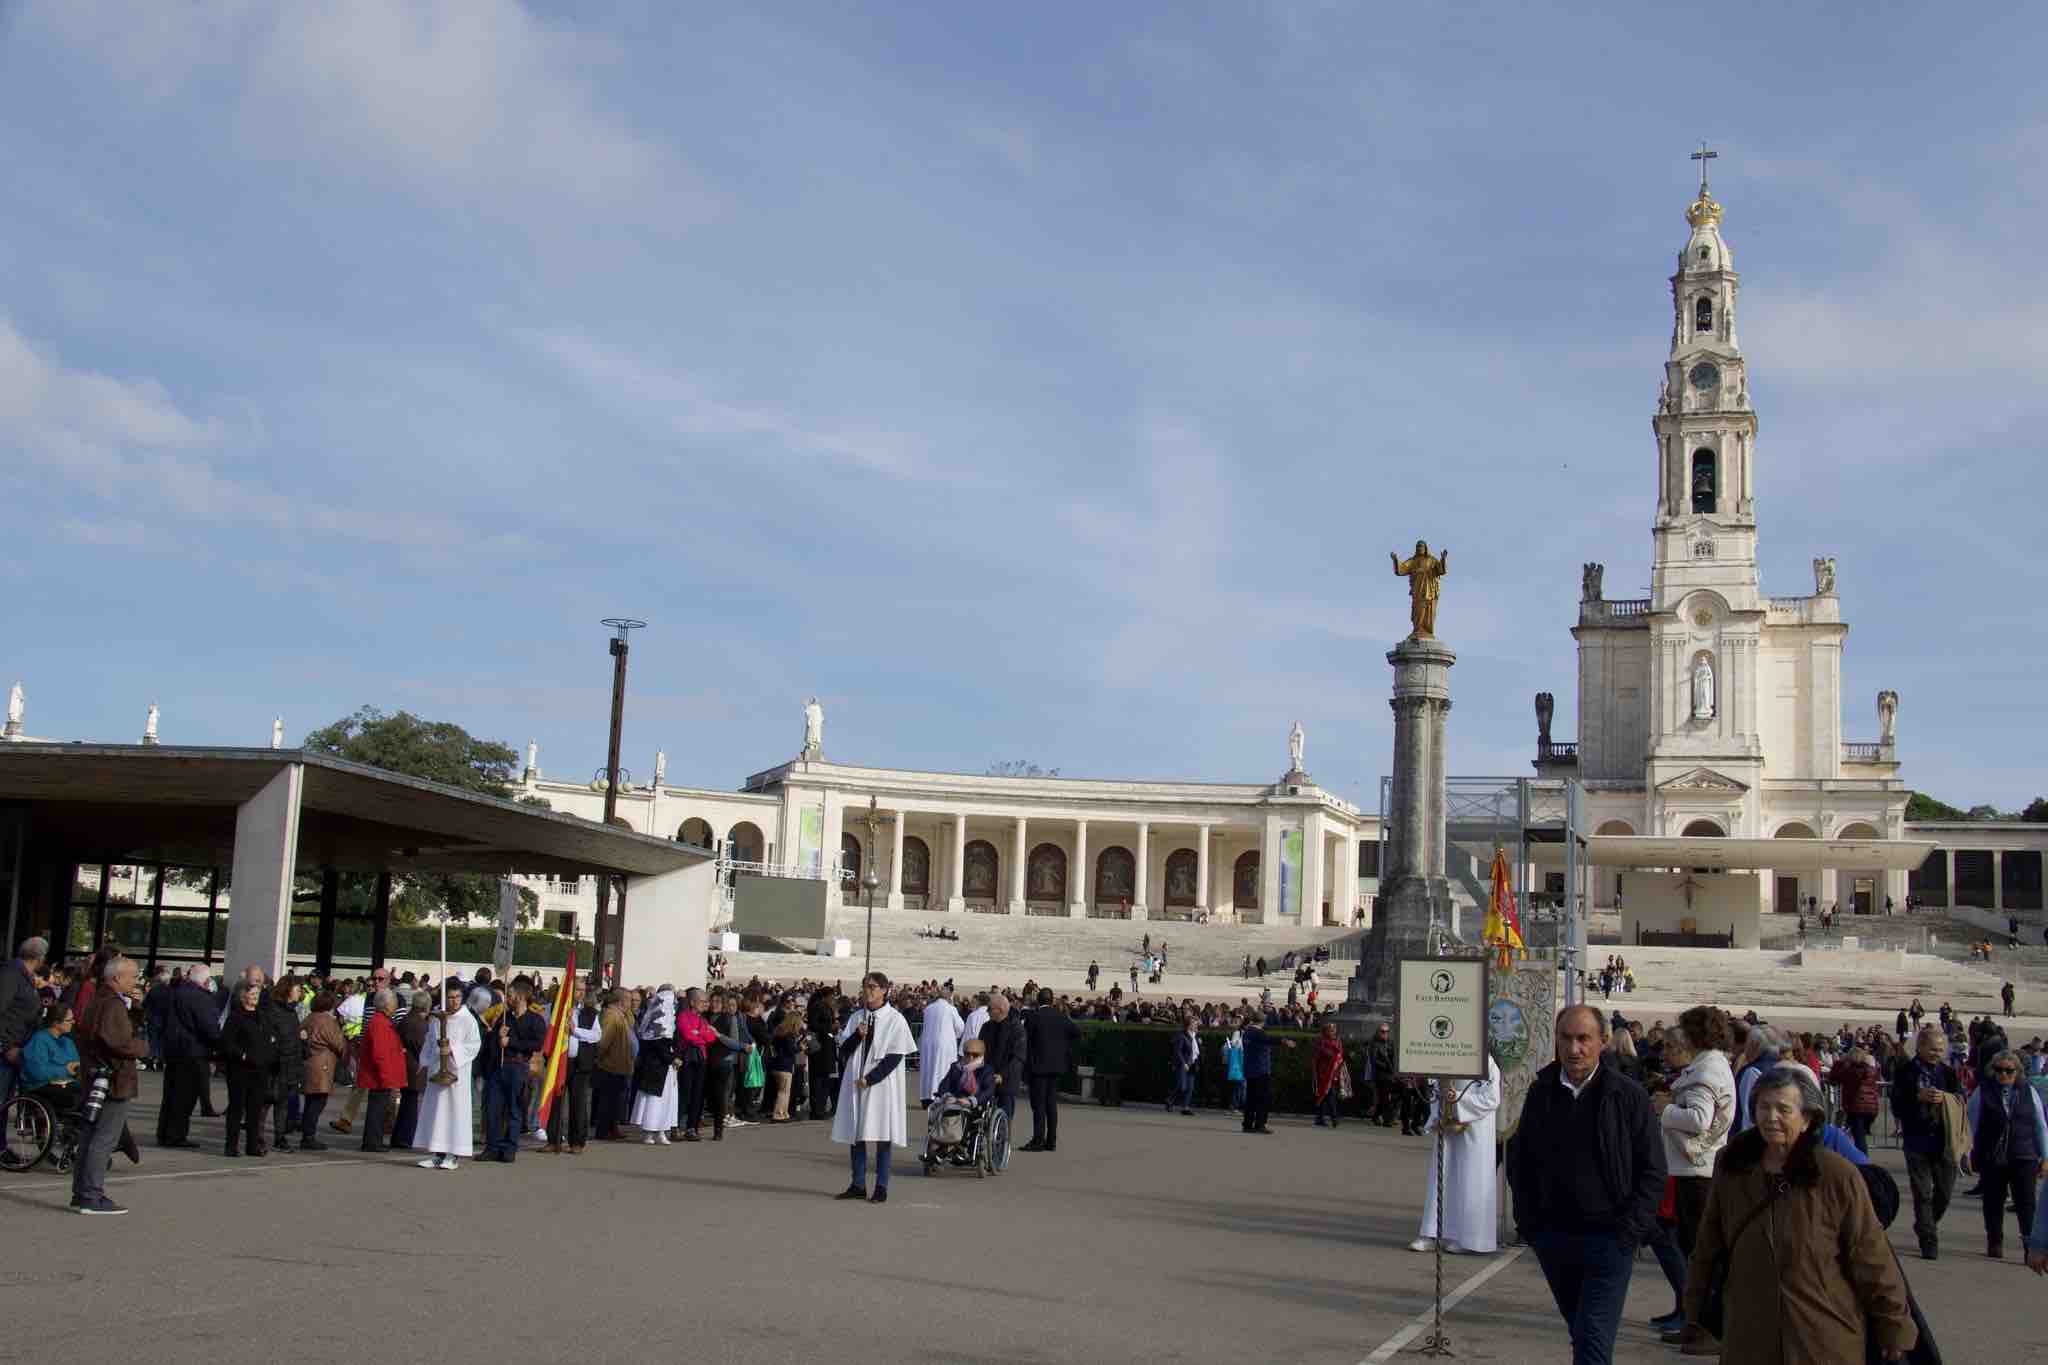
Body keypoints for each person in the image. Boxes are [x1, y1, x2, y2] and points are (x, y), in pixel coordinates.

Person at [1681, 1068, 1915, 1363]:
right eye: (1764, 1107)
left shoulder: (1836, 1175)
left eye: (1783, 1109)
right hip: (1749, 1335)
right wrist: (1695, 1308)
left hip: (1821, 1335)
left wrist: (1894, 1325)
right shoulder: (1732, 1166)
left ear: (1806, 1119)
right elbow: (1708, 1245)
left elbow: (1870, 1255)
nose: (1771, 1117)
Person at [1506, 1005, 1665, 1365]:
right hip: (1555, 1239)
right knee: (1581, 1332)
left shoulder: (1628, 1096)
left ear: (1603, 1041)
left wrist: (1629, 1231)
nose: (1574, 1049)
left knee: (1593, 1338)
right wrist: (1532, 1226)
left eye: (1583, 1039)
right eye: (1566, 1038)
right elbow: (1521, 1161)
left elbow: (1653, 1171)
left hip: (1610, 1240)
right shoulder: (1541, 1092)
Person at [71, 955, 146, 1215]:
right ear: (117, 977)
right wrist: (143, 1048)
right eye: (133, 976)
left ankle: (81, 1193)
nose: (136, 980)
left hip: (97, 1075)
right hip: (113, 1079)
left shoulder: (99, 999)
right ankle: (91, 1195)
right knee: (103, 1139)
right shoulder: (111, 1003)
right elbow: (119, 1042)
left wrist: (136, 1008)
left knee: (91, 1136)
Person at [832, 972, 915, 1203]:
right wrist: (857, 1036)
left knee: (881, 1134)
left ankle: (881, 1186)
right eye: (865, 986)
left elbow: (895, 1056)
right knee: (856, 1134)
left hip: (881, 1085)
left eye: (872, 986)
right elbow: (844, 1050)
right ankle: (858, 1183)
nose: (867, 990)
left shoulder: (895, 1019)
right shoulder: (857, 1017)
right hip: (856, 1083)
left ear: (884, 990)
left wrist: (871, 1078)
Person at [1411, 1052, 1502, 1254]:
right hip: (1447, 1126)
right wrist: (1439, 1112)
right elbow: (1436, 1089)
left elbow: (1492, 1098)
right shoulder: (1449, 1055)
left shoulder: (1486, 1062)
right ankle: (1432, 1233)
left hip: (1475, 1130)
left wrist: (1460, 1100)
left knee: (1469, 1179)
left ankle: (1466, 1237)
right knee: (1441, 1177)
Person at [1965, 1048, 2047, 1258]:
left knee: (2026, 1204)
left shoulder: (2029, 1091)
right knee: (1993, 1202)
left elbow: (2040, 1125)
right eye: (1999, 1070)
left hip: (2024, 1156)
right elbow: (1971, 1124)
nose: (2003, 1074)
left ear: (2017, 1072)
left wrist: (2045, 1156)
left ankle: (2030, 1247)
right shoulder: (1982, 1091)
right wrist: (1967, 1153)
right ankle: (1995, 1241)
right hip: (1992, 1156)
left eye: (2009, 1071)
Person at [1892, 1023, 1963, 1259]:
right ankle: (1928, 1240)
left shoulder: (1949, 1073)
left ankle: (1925, 1223)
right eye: (1933, 1049)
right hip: (1917, 1140)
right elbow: (1897, 1106)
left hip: (1944, 1141)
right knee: (1922, 1193)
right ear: (1920, 1047)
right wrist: (1917, 1096)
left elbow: (1960, 1100)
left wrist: (1946, 1098)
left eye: (1941, 1049)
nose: (1937, 1053)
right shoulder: (1905, 1071)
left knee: (1944, 1193)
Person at [416, 983, 484, 1170]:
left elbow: (474, 1045)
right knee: (437, 1113)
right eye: (450, 997)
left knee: (455, 1113)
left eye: (457, 997)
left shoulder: (467, 1020)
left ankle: (453, 1155)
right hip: (436, 1070)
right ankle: (437, 1154)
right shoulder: (437, 1019)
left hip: (456, 1073)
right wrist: (424, 1061)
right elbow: (430, 1041)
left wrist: (452, 1050)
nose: (454, 1001)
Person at [154, 963, 221, 1148]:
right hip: (192, 1051)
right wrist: (218, 1043)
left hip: (172, 1049)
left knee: (170, 1094)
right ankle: (176, 1135)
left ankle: (164, 1132)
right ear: (206, 980)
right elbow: (208, 1026)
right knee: (185, 1097)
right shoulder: (199, 997)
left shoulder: (173, 992)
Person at [219, 978, 284, 1158]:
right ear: (243, 996)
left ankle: (252, 1145)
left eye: (257, 993)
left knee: (255, 1109)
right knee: (237, 1108)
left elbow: (271, 1037)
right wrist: (243, 1055)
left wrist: (271, 1054)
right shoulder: (236, 1017)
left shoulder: (262, 1016)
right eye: (252, 993)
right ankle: (231, 1145)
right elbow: (227, 1042)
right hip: (240, 1070)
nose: (255, 997)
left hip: (260, 1070)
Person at [1021, 988, 1079, 1153]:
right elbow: (1076, 1032)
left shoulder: (1033, 1016)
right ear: (1052, 1000)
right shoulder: (1061, 1016)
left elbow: (1026, 1039)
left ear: (1038, 1001)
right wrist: (1062, 1047)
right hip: (1056, 1066)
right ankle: (1051, 1140)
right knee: (1051, 1104)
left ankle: (1038, 1140)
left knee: (1039, 1104)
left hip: (1038, 1066)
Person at [0, 935, 49, 1109]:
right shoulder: (11, 973)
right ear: (40, 958)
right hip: (6, 1051)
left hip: (18, 1048)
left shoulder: (25, 976)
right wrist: (5, 1046)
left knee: (6, 1101)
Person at [354, 989, 406, 1154]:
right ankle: (372, 1141)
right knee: (377, 1109)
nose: (395, 1006)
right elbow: (380, 1053)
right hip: (378, 1076)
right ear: (387, 1005)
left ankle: (374, 1140)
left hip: (378, 1075)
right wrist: (386, 1076)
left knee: (378, 1109)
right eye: (394, 1003)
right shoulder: (380, 1023)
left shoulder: (380, 1021)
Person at [298, 991, 348, 1149]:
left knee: (310, 1101)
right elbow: (339, 1044)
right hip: (322, 1066)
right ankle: (309, 1136)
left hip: (309, 1063)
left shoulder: (309, 1018)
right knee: (318, 1102)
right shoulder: (327, 1021)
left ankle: (307, 1133)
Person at [263, 977, 306, 1153]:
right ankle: (257, 1137)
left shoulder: (291, 1011)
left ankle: (279, 1137)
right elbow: (270, 1038)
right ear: (287, 990)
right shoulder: (273, 1010)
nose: (300, 992)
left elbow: (292, 1037)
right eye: (297, 989)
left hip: (290, 1064)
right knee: (266, 1102)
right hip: (276, 1065)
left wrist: (302, 1041)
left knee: (283, 1104)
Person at [1239, 1008, 1296, 1136]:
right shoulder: (1258, 1032)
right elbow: (1270, 1040)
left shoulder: (1247, 1032)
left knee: (1251, 1098)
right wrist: (1285, 1041)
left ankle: (1247, 1124)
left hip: (1250, 1069)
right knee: (1262, 1098)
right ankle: (1260, 1124)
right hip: (1261, 1069)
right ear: (1263, 1021)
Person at [391, 987, 433, 1150]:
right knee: (410, 1104)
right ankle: (405, 1137)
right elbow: (422, 1047)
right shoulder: (418, 1023)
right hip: (414, 1067)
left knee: (407, 1103)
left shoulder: (407, 1019)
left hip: (407, 1065)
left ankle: (400, 1136)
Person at [19, 1002, 80, 1111]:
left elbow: (76, 1067)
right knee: (70, 1096)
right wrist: (65, 1070)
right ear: (56, 1023)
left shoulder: (68, 1042)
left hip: (64, 1083)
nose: (73, 1022)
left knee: (90, 1093)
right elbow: (37, 1072)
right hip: (39, 1086)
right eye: (69, 1020)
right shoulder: (39, 1040)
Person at [979, 991, 1027, 1123]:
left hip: (1007, 1080)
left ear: (1000, 1010)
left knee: (1004, 1118)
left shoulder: (1016, 1029)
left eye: (990, 1009)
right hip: (988, 1077)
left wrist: (1002, 1075)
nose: (987, 1012)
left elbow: (1018, 1057)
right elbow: (979, 1050)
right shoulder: (986, 1027)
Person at [1827, 1045, 1882, 1154]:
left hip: (1856, 1107)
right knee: (1859, 1136)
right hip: (1871, 1107)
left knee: (1859, 1139)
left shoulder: (1850, 1071)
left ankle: (1862, 1160)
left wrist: (1839, 1062)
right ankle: (1858, 1156)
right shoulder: (1871, 1070)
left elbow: (1833, 1077)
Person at [919, 983, 964, 1103]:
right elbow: (960, 1027)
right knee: (942, 1070)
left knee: (928, 1069)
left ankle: (927, 1096)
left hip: (928, 1043)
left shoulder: (929, 1008)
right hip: (944, 1044)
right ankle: (939, 1095)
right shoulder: (951, 1009)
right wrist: (954, 1036)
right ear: (949, 996)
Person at [1310, 1022, 1346, 1128]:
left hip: (1333, 1072)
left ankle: (1320, 1118)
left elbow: (1340, 1055)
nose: (1333, 1031)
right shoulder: (1320, 1041)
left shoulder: (1338, 1041)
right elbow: (1317, 1056)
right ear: (1325, 1031)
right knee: (1328, 1095)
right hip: (1323, 1073)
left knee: (1326, 1096)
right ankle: (1334, 1118)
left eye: (1334, 1029)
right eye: (1330, 1030)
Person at [1169, 1014, 1200, 1116]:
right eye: (1194, 1024)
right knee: (1182, 1086)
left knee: (1190, 1087)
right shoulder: (1182, 1036)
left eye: (1196, 1024)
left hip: (1193, 1063)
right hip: (1184, 1064)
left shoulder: (1195, 1036)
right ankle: (1170, 1100)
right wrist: (1184, 1063)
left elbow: (1196, 1051)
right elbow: (1178, 1051)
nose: (1196, 1026)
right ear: (1188, 1025)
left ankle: (1185, 1107)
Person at [1223, 1019, 1246, 1112]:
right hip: (1239, 1061)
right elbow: (1233, 1045)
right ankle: (1235, 1105)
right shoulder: (1238, 1033)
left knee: (1241, 1085)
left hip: (1244, 1061)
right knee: (1240, 1084)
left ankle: (1237, 1105)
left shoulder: (1245, 1033)